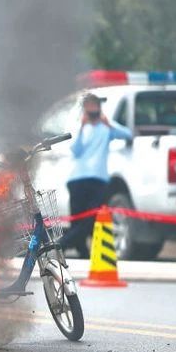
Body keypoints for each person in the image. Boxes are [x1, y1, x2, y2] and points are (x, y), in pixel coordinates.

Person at [59, 93, 132, 258]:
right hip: (77, 178)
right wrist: (82, 129)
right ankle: (82, 251)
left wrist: (110, 125)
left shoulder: (106, 127)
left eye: (95, 106)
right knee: (77, 219)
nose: (92, 110)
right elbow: (75, 151)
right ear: (84, 109)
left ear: (99, 108)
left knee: (91, 217)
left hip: (98, 179)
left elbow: (128, 134)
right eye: (89, 107)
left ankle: (62, 244)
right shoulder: (79, 127)